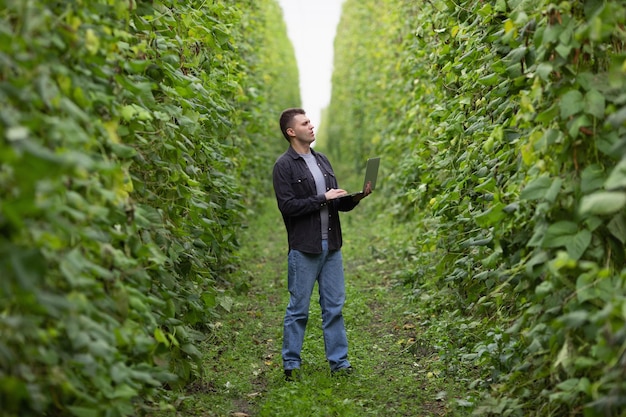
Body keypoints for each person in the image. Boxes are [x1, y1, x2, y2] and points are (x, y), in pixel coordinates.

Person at [272, 108, 372, 380]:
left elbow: (336, 203)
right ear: (291, 132)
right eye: (305, 123)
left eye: (310, 122)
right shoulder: (284, 166)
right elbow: (288, 206)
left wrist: (355, 198)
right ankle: (291, 365)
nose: (311, 126)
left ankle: (339, 364)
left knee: (334, 307)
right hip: (305, 248)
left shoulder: (323, 160)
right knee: (298, 309)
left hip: (332, 247)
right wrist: (322, 198)